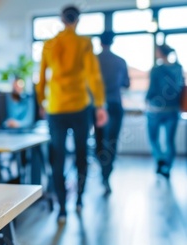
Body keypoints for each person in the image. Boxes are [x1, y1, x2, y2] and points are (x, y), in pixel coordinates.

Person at [35, 5, 108, 223]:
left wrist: (41, 103)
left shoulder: (49, 44)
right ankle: (79, 201)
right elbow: (93, 76)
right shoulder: (84, 43)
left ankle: (62, 210)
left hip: (56, 108)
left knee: (57, 158)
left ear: (61, 19)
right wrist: (100, 105)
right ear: (78, 20)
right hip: (79, 107)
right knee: (81, 154)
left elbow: (41, 79)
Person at [95, 31, 130, 194]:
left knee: (99, 140)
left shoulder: (94, 60)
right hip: (114, 104)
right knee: (111, 142)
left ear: (100, 43)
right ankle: (106, 175)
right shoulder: (120, 61)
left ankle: (102, 170)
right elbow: (126, 83)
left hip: (97, 105)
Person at [146, 44, 184, 179]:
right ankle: (166, 166)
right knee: (169, 141)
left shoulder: (156, 70)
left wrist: (147, 101)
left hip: (156, 109)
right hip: (173, 110)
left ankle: (160, 159)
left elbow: (152, 90)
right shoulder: (178, 68)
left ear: (161, 53)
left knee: (153, 138)